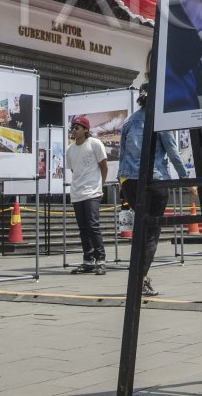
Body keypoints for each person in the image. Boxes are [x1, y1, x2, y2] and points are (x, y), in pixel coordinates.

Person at [118, 85, 186, 297]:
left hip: (130, 181)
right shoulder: (160, 120)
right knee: (151, 234)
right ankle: (140, 279)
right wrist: (186, 178)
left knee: (141, 231)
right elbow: (173, 152)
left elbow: (121, 155)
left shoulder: (129, 121)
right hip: (154, 181)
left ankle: (139, 277)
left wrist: (121, 184)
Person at [65, 115, 108, 275]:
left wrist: (100, 186)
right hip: (77, 193)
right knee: (83, 228)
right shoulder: (70, 149)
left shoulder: (95, 144)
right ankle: (88, 260)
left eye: (77, 127)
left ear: (85, 130)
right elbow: (74, 170)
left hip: (92, 192)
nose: (74, 130)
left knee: (93, 225)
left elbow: (104, 167)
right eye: (73, 127)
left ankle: (101, 260)